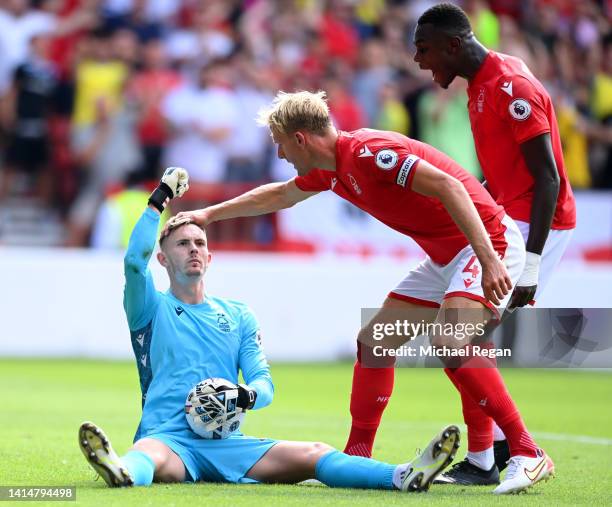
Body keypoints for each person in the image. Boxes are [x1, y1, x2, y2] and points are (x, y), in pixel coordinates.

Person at [173, 90, 554, 495]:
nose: (281, 155)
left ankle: (528, 453)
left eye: (280, 144)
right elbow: (282, 194)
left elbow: (449, 186)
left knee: (452, 340)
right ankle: (358, 457)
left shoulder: (371, 153)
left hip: (488, 243)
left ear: (300, 138)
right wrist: (208, 214)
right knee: (375, 342)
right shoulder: (330, 169)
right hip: (448, 258)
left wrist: (489, 258)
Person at [78, 167, 461, 492]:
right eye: (182, 244)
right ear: (163, 258)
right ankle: (124, 471)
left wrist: (243, 395)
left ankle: (402, 475)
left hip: (229, 442)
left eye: (199, 243)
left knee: (314, 452)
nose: (193, 249)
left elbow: (264, 384)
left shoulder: (239, 314)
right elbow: (132, 262)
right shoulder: (150, 307)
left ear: (210, 258)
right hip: (170, 439)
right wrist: (159, 200)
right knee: (149, 453)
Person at [412, 2, 576, 486]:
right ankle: (484, 460)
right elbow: (507, 168)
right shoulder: (481, 84)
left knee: (455, 337)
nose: (420, 61)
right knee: (468, 339)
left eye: (425, 50)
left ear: (454, 44)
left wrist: (531, 265)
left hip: (531, 228)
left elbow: (548, 180)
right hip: (505, 220)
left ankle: (526, 451)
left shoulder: (511, 87)